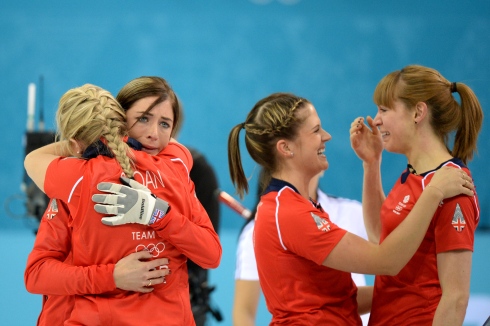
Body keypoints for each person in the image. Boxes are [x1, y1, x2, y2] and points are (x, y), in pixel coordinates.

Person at [227, 92, 474, 325]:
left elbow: (342, 301)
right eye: (315, 130)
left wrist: (372, 163)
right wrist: (434, 192)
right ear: (286, 148)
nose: (327, 136)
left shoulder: (294, 205)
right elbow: (386, 260)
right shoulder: (288, 212)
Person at [24, 83, 221, 325]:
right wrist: (158, 214)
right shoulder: (176, 168)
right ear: (122, 120)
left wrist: (78, 144)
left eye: (164, 124)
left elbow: (36, 275)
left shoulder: (75, 181)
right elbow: (212, 255)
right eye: (144, 119)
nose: (153, 134)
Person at [350, 64, 482, 325]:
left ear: (418, 112)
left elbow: (456, 298)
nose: (375, 120)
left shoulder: (453, 187)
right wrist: (371, 164)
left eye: (384, 109)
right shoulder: (413, 175)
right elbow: (380, 237)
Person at [232, 170, 371, 326]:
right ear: (284, 151)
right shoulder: (259, 229)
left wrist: (395, 292)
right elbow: (244, 312)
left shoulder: (352, 212)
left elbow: (346, 299)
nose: (322, 145)